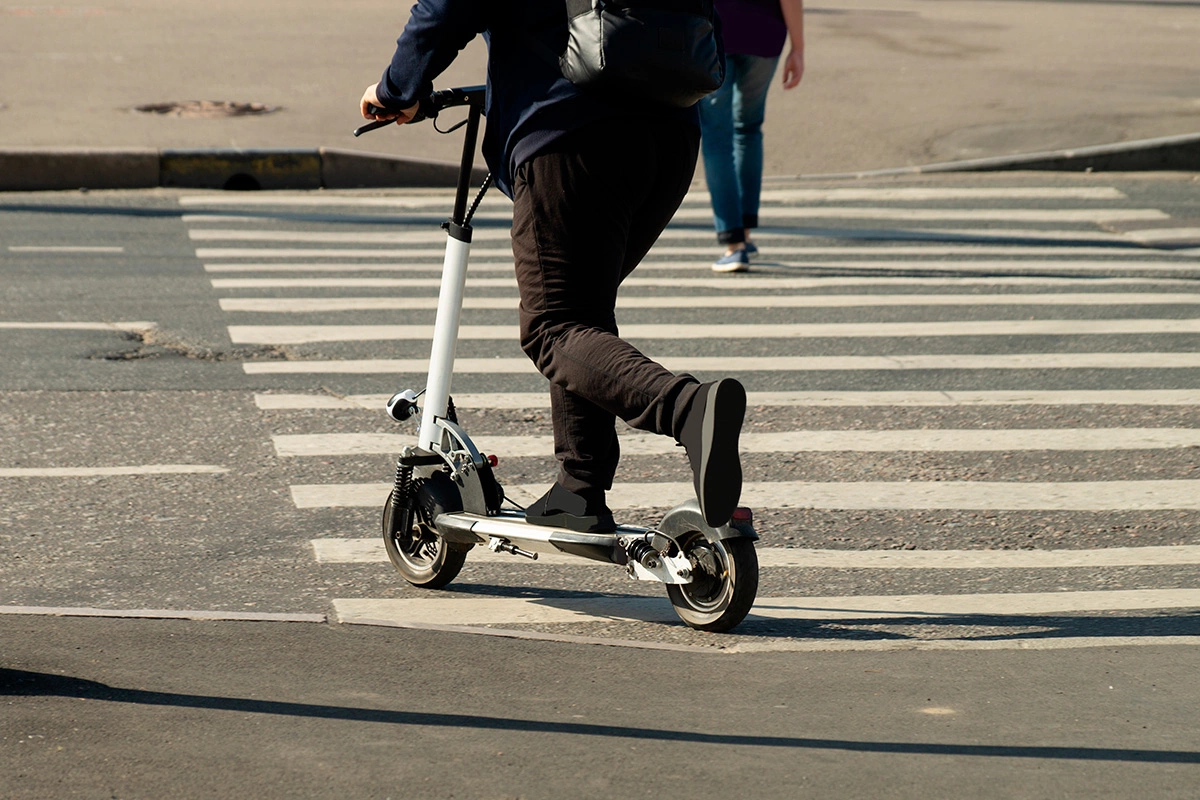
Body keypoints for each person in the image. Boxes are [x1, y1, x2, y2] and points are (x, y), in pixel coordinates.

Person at [360, 0, 747, 533]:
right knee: (580, 316)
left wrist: (395, 89)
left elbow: (446, 8)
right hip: (670, 138)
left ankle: (686, 409)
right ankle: (579, 490)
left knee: (553, 326)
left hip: (569, 134)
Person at [700, 0, 805, 273]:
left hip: (711, 33)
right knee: (748, 129)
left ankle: (733, 244)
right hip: (764, 34)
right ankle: (744, 235)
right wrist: (799, 47)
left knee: (716, 137)